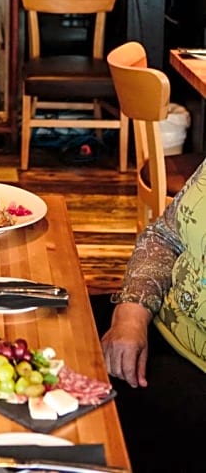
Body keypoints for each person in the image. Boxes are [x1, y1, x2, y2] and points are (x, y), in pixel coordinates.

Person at [92, 159, 205, 472]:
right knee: (47, 328)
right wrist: (131, 313)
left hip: (194, 373)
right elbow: (165, 236)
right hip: (157, 319)